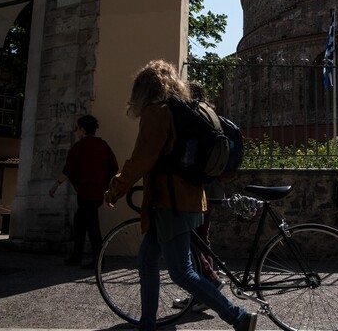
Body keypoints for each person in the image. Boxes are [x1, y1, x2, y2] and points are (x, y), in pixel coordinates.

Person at [103, 59, 257, 331]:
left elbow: (140, 160)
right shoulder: (181, 110)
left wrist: (115, 188)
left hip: (170, 203)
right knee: (147, 260)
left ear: (144, 90)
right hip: (186, 199)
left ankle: (238, 317)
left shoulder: (157, 113)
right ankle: (148, 324)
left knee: (182, 273)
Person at [172, 81, 226, 312]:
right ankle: (204, 292)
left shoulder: (193, 116)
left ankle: (207, 285)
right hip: (214, 187)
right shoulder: (212, 115)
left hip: (199, 187)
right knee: (202, 239)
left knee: (192, 238)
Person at [49, 114, 119, 269]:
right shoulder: (103, 146)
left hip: (85, 192)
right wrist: (105, 184)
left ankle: (98, 259)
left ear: (81, 129)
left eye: (78, 129)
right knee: (80, 222)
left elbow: (68, 170)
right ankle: (77, 256)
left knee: (92, 226)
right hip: (98, 192)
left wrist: (55, 186)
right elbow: (114, 167)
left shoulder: (79, 147)